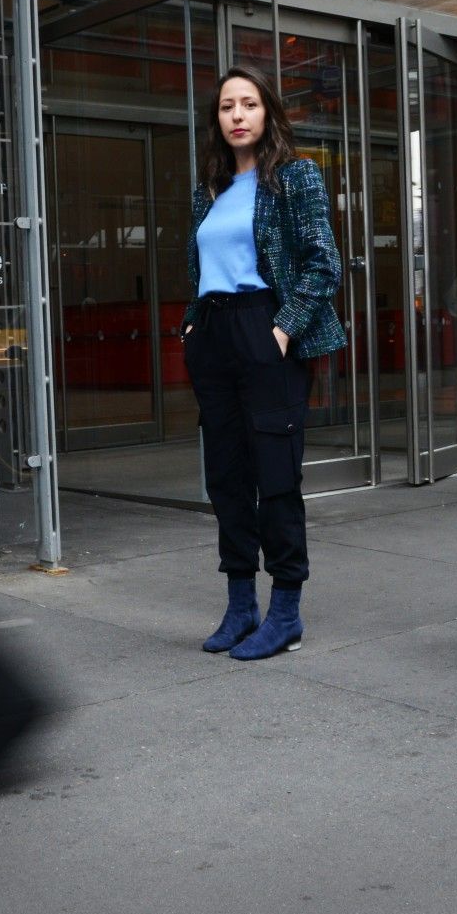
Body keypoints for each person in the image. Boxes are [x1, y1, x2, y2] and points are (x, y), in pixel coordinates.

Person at [182, 66, 346, 661]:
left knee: (276, 476)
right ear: (217, 119)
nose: (238, 115)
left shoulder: (295, 177)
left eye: (249, 104)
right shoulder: (209, 188)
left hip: (264, 327)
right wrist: (193, 324)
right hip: (214, 333)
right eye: (227, 106)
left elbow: (324, 263)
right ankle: (240, 605)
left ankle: (286, 610)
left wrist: (281, 327)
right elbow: (196, 267)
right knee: (226, 475)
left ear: (267, 113)